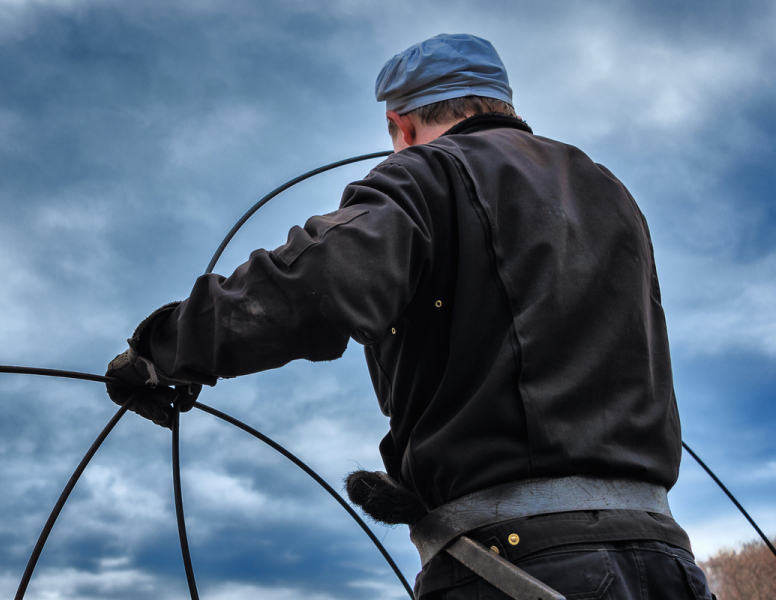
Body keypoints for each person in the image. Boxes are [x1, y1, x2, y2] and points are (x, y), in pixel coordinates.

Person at [105, 33, 715, 599]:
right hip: (667, 562)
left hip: (516, 567)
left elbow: (318, 282)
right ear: (499, 102)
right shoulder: (610, 192)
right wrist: (418, 488)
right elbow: (534, 367)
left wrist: (161, 350)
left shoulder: (426, 173)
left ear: (400, 123)